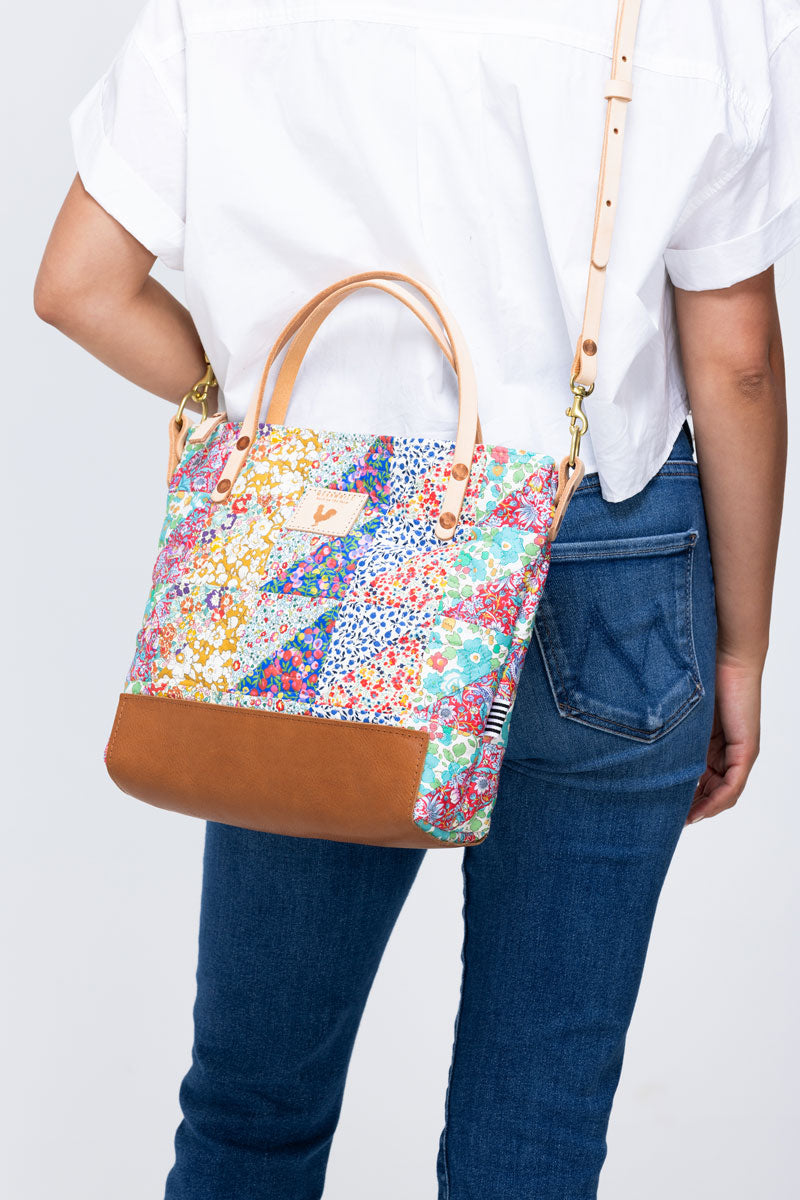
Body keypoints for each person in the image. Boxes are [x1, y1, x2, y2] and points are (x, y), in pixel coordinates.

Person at [33, 1, 798, 1197]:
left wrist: (256, 427)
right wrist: (742, 648)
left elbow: (78, 284)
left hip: (332, 565)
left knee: (251, 1111)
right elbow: (736, 353)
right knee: (534, 1132)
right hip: (600, 562)